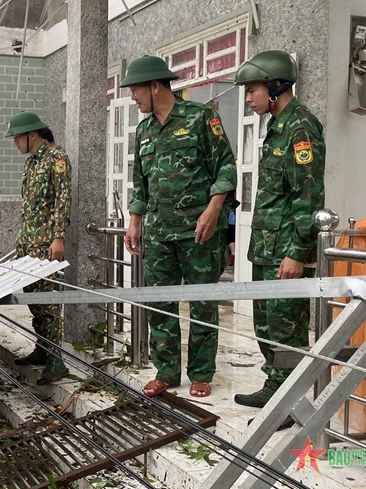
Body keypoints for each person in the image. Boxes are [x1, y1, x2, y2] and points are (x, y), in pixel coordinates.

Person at [120, 55, 237, 399]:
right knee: (160, 302)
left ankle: (201, 373)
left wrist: (214, 211)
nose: (133, 97)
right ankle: (166, 371)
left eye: (136, 90)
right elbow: (139, 183)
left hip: (197, 232)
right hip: (158, 234)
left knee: (202, 302)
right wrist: (134, 223)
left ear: (156, 86)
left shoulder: (201, 117)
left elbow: (226, 169)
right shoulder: (143, 131)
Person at [232, 51, 325, 430]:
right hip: (267, 249)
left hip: (286, 250)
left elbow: (308, 196)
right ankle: (275, 386)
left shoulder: (300, 127)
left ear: (275, 87)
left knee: (287, 329)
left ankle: (292, 401)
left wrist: (297, 252)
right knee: (266, 326)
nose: (248, 98)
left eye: (251, 90)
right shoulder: (277, 125)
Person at [4, 111, 72, 386]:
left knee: (47, 303)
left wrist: (58, 237)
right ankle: (42, 349)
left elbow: (62, 199)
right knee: (33, 299)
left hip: (46, 244)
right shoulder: (33, 162)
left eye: (17, 137)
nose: (14, 143)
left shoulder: (57, 159)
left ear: (33, 135)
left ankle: (57, 361)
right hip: (28, 244)